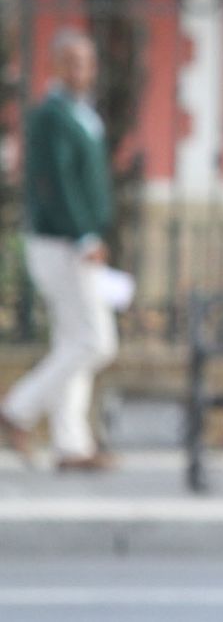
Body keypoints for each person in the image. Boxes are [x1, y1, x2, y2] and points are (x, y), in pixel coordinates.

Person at [0, 29, 119, 472]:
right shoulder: (50, 115)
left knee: (73, 341)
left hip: (76, 241)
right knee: (96, 342)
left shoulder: (80, 111)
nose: (82, 71)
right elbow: (55, 182)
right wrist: (84, 234)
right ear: (55, 65)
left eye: (87, 62)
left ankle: (71, 446)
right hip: (61, 242)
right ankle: (18, 409)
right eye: (72, 62)